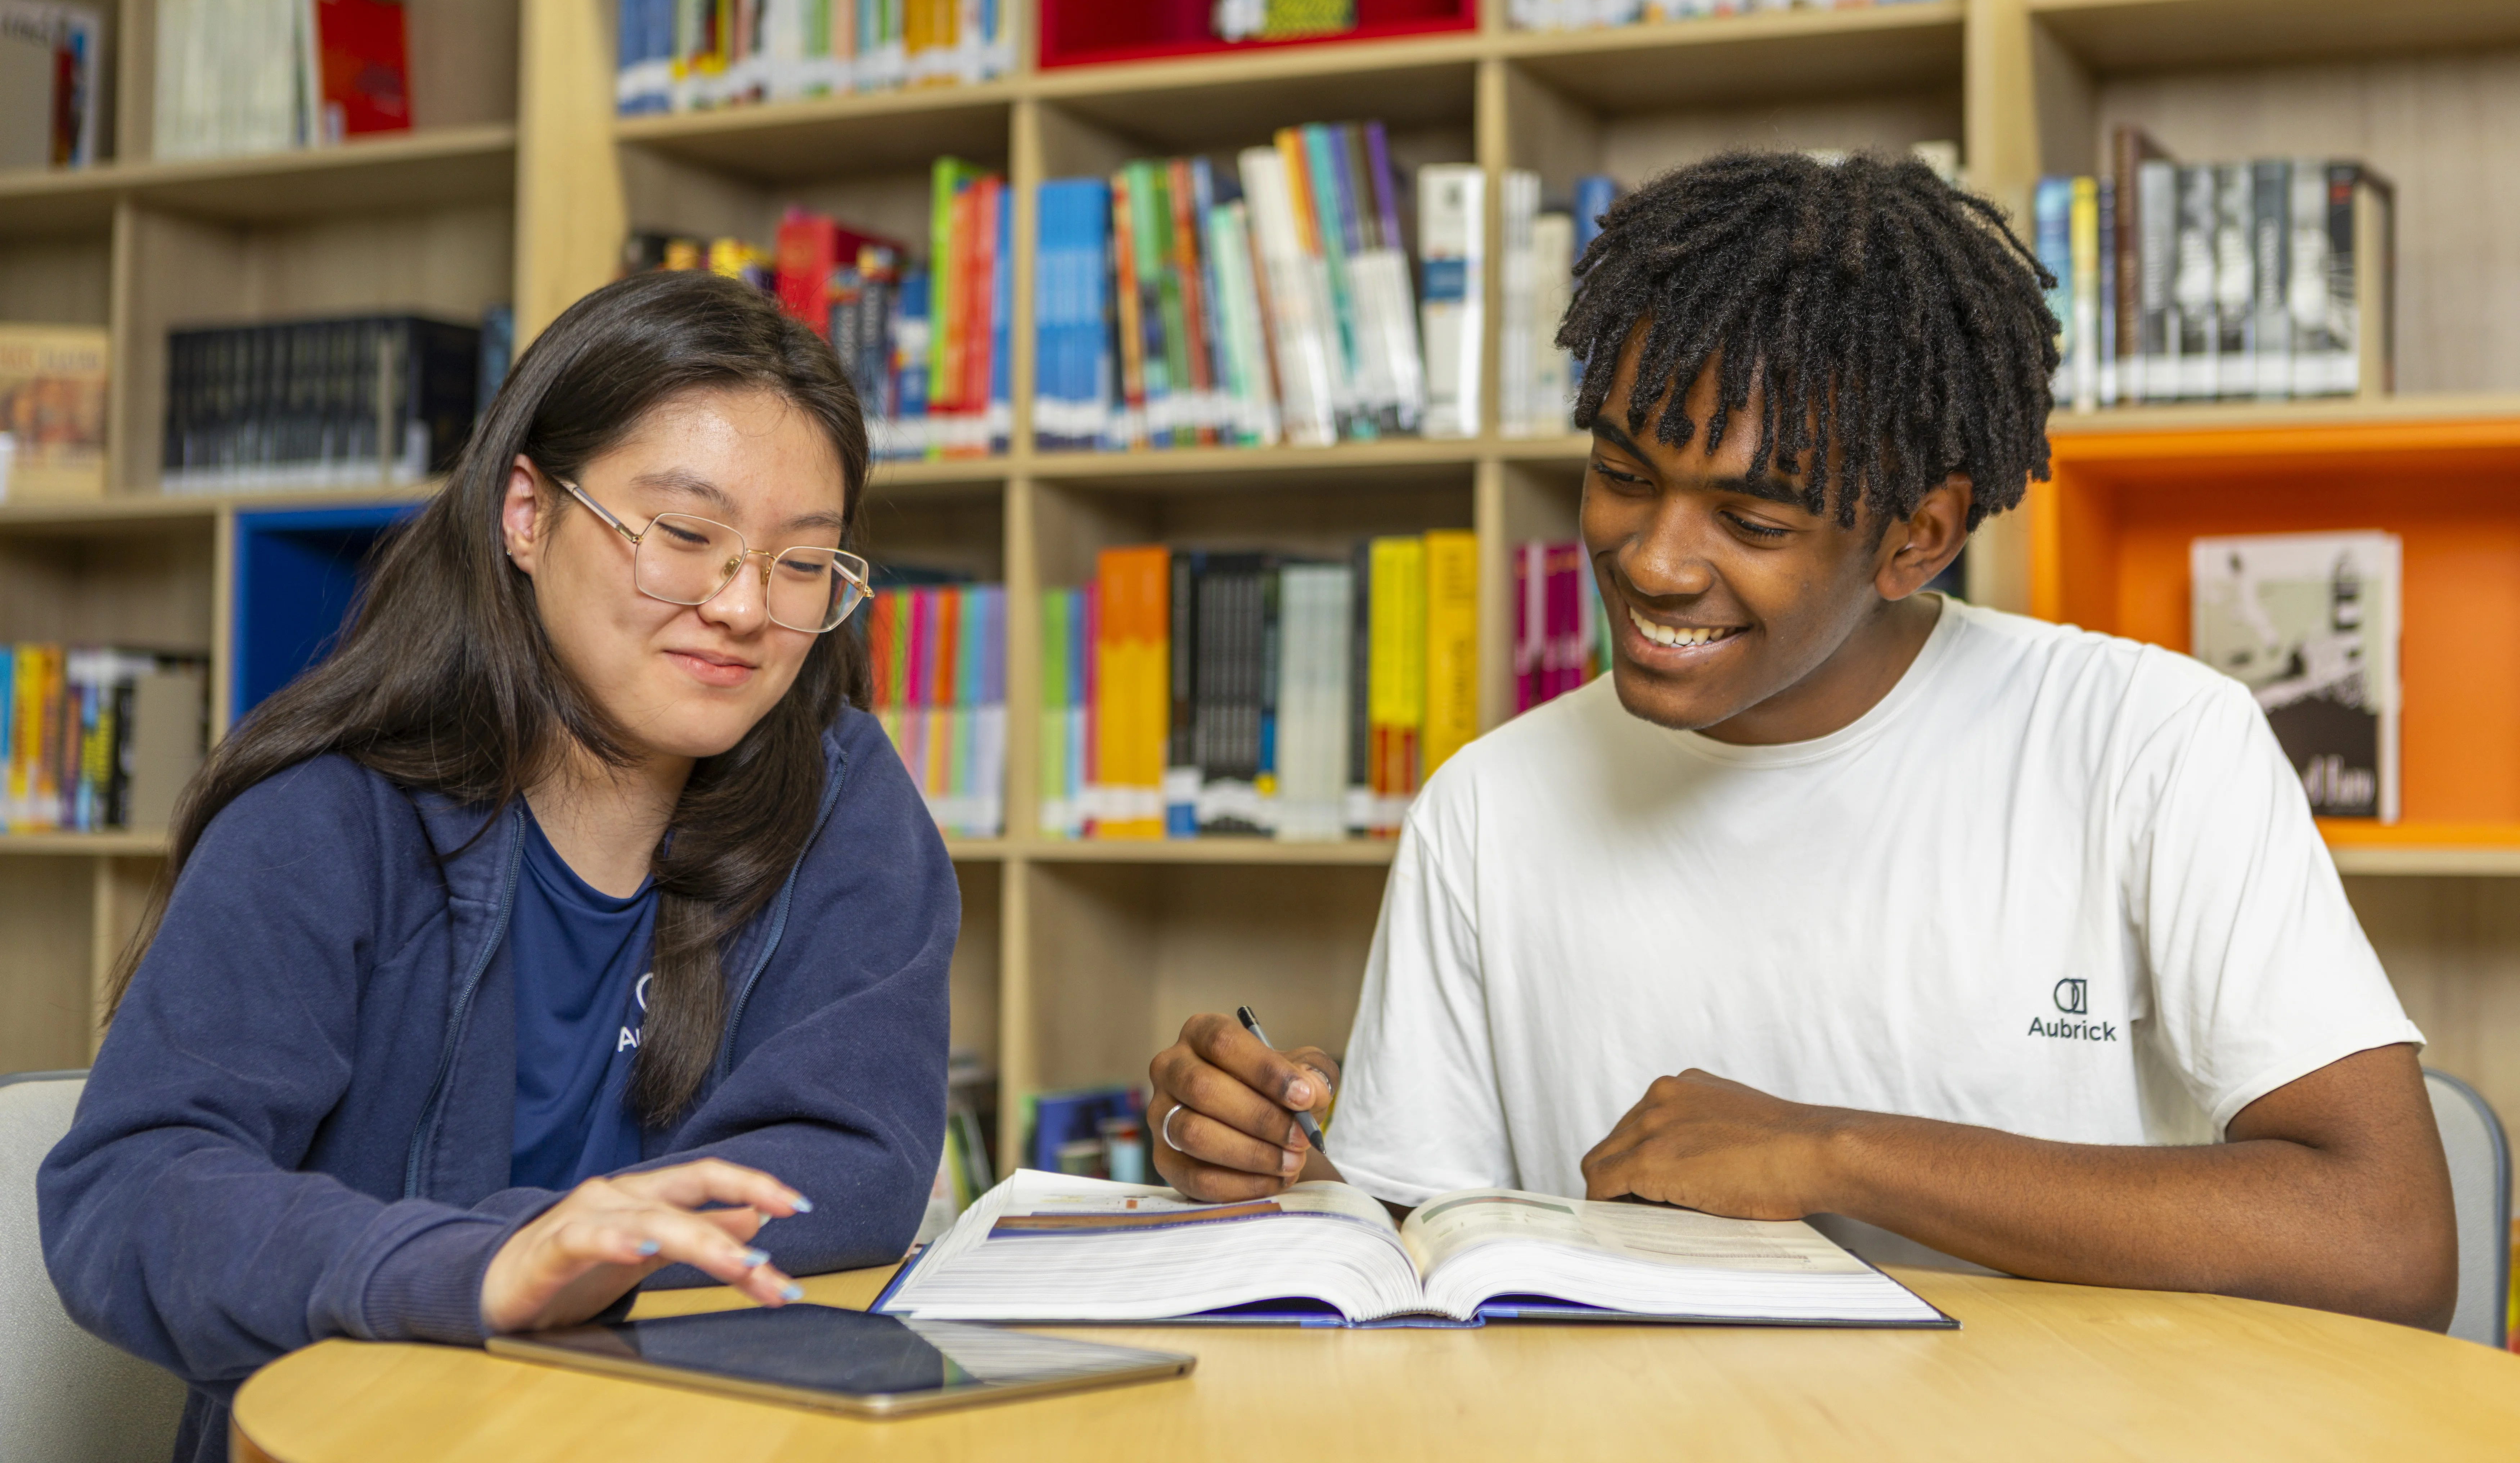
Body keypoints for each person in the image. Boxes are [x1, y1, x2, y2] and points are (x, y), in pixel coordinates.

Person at [1147, 150, 2456, 1330]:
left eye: (1754, 523)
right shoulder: (1485, 806)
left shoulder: (2150, 744)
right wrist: (1275, 1171)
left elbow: (2388, 1241)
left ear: (1918, 538)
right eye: (1624, 474)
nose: (1656, 562)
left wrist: (1837, 1154)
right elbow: (1424, 1261)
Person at [41, 273, 960, 1461]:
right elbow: (132, 1193)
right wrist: (483, 1264)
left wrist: (590, 1252)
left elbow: (857, 1162)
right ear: (527, 514)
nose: (744, 607)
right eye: (686, 537)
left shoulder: (843, 802)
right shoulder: (323, 819)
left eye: (802, 564)